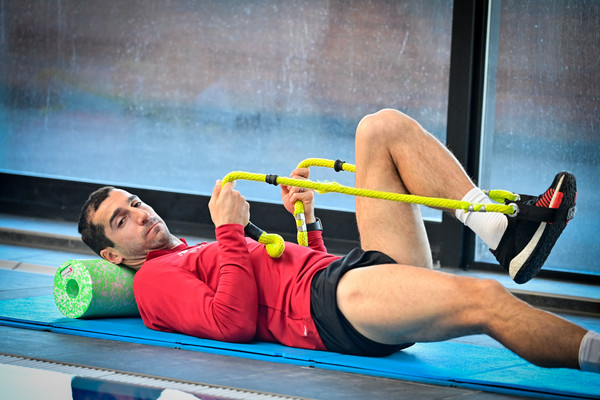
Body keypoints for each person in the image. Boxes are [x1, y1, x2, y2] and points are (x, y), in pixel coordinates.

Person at [78, 109, 599, 373]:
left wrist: (307, 222)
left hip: (341, 279)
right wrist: (231, 231)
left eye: (135, 203)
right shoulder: (154, 280)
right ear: (111, 253)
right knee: (484, 300)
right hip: (331, 307)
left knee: (381, 127)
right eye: (121, 221)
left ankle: (502, 232)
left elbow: (300, 269)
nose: (139, 215)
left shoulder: (189, 251)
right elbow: (230, 324)